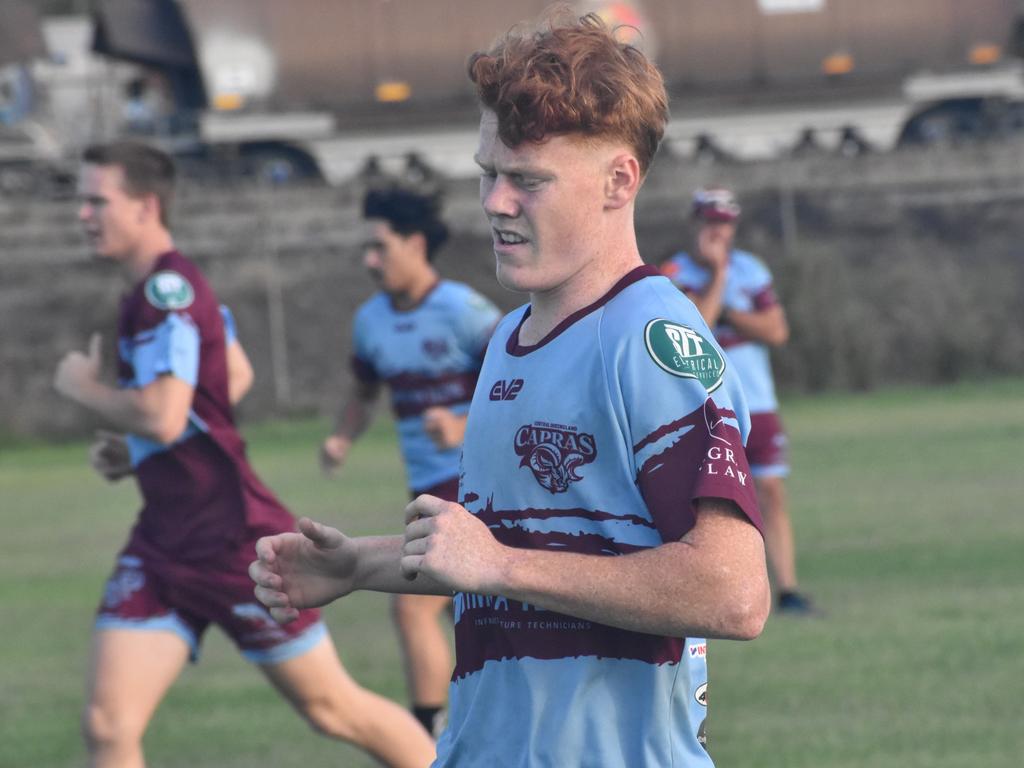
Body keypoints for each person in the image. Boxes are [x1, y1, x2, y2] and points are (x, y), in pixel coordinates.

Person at [251, 13, 769, 767]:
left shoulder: (650, 339)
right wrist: (358, 566)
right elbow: (510, 547)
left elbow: (732, 593)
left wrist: (499, 565)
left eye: (527, 180)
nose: (493, 202)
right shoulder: (509, 336)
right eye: (488, 173)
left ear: (618, 181)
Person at [53, 140, 435, 768]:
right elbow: (231, 373)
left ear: (147, 206)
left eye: (98, 200)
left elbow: (167, 409)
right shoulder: (149, 292)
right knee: (107, 724)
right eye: (81, 201)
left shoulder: (166, 291)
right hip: (165, 545)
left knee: (333, 709)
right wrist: (144, 449)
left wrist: (86, 390)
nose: (83, 214)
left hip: (235, 540)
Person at [320, 185, 501, 735]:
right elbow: (364, 390)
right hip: (423, 490)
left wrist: (462, 425)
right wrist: (343, 437)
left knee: (413, 606)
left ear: (416, 243)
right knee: (473, 619)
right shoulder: (370, 321)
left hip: (476, 486)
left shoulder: (465, 311)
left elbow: (524, 385)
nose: (369, 261)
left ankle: (425, 737)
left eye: (380, 247)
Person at [661, 187, 817, 615]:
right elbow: (698, 329)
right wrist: (718, 279)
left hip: (759, 403)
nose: (718, 231)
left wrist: (731, 311)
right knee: (704, 501)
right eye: (710, 222)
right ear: (694, 223)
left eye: (725, 223)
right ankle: (698, 588)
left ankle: (786, 589)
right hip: (706, 408)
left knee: (771, 491)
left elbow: (776, 330)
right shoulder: (673, 272)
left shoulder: (752, 269)